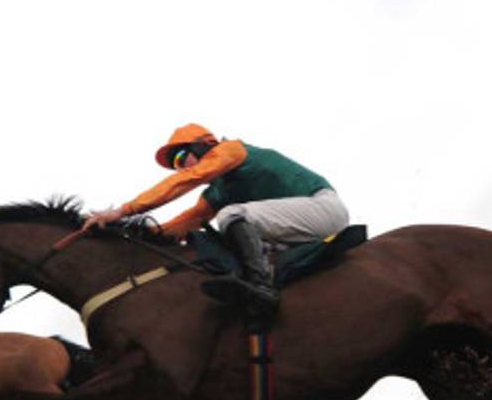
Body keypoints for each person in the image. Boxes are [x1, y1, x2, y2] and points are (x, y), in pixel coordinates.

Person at [82, 123, 349, 313]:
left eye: (181, 157)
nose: (180, 167)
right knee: (225, 240)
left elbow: (185, 180)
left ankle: (261, 287)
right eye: (175, 165)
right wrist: (128, 235)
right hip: (298, 227)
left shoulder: (231, 150)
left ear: (203, 144)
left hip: (323, 208)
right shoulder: (219, 191)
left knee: (231, 215)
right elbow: (186, 222)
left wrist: (123, 210)